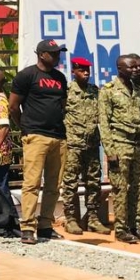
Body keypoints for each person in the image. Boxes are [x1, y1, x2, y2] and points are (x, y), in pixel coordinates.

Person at [9, 39, 69, 245]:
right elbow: (13, 106)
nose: (57, 56)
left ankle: (45, 226)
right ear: (41, 54)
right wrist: (25, 128)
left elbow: (62, 106)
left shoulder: (60, 78)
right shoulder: (27, 75)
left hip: (59, 137)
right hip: (36, 136)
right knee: (32, 183)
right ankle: (27, 227)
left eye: (58, 53)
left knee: (54, 185)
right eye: (53, 53)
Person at [98, 54, 140, 244]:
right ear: (120, 68)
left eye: (138, 67)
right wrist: (110, 151)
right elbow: (104, 123)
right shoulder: (108, 91)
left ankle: (136, 226)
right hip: (120, 142)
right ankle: (121, 229)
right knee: (121, 188)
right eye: (131, 67)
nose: (137, 70)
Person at [60, 57, 108, 235]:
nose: (86, 73)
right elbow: (60, 113)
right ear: (74, 71)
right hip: (73, 144)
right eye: (82, 70)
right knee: (70, 183)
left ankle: (93, 218)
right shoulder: (68, 92)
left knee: (93, 182)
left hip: (92, 144)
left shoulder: (95, 91)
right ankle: (71, 218)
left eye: (88, 70)